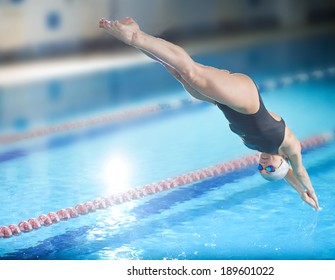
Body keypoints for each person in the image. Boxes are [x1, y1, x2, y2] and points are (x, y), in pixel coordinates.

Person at [99, 17, 320, 210]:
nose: (263, 164)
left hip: (221, 103)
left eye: (261, 168)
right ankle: (133, 36)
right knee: (192, 73)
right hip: (246, 100)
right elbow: (297, 172)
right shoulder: (289, 146)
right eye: (269, 167)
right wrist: (306, 191)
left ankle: (137, 31)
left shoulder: (260, 149)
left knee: (177, 72)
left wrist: (293, 187)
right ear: (284, 162)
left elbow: (283, 173)